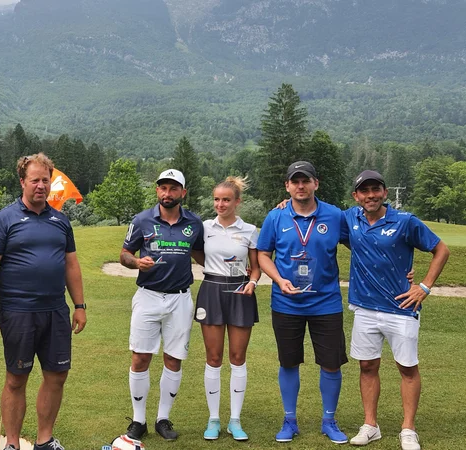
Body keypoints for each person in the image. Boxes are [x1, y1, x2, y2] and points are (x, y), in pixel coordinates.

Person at [0, 153, 87, 450]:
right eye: (35, 180)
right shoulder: (3, 220)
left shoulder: (60, 221)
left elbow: (71, 265)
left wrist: (79, 305)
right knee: (16, 378)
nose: (41, 185)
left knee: (57, 375)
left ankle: (44, 440)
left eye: (45, 180)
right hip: (18, 312)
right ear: (22, 181)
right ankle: (12, 444)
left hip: (55, 311)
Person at [344, 171, 449, 450]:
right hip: (364, 307)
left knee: (407, 368)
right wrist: (286, 203)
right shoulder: (349, 219)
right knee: (367, 366)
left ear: (385, 192)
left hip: (401, 307)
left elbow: (441, 250)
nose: (370, 195)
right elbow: (317, 213)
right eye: (364, 191)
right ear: (356, 196)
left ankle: (408, 429)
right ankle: (370, 425)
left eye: (375, 189)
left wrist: (424, 287)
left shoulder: (405, 221)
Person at [256, 161, 350, 444]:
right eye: (295, 181)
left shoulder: (336, 216)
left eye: (305, 180)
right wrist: (278, 280)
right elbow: (262, 254)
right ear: (287, 186)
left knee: (331, 364)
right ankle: (290, 420)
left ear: (315, 184)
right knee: (288, 363)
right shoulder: (276, 216)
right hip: (286, 303)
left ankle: (329, 420)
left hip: (327, 303)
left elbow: (363, 242)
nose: (300, 186)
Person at [120, 169, 204, 442]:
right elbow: (124, 254)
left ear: (183, 192)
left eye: (173, 188)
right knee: (140, 357)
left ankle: (163, 419)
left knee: (173, 358)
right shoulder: (142, 220)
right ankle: (138, 420)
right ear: (157, 191)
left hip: (180, 298)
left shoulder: (194, 223)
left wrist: (235, 267)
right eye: (163, 188)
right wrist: (136, 263)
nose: (167, 193)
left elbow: (202, 255)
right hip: (148, 296)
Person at [195, 176, 261, 441]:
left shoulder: (250, 230)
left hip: (240, 292)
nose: (220, 204)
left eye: (226, 200)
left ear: (237, 202)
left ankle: (235, 420)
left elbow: (255, 266)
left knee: (237, 357)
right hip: (211, 290)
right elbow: (197, 253)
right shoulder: (203, 227)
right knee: (213, 358)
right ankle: (214, 419)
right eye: (216, 199)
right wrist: (213, 268)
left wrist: (253, 282)